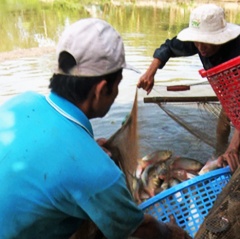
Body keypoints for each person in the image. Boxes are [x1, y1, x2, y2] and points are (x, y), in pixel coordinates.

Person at [0, 18, 191, 239]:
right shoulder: (98, 174)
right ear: (101, 90)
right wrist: (170, 233)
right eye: (118, 84)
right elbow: (138, 228)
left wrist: (86, 147)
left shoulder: (21, 103)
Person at [137, 3, 240, 171]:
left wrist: (233, 148)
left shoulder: (236, 49)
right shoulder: (199, 42)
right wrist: (150, 72)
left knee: (235, 140)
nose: (200, 47)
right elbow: (168, 47)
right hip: (228, 93)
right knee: (222, 127)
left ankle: (230, 155)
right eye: (197, 42)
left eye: (206, 42)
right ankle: (218, 154)